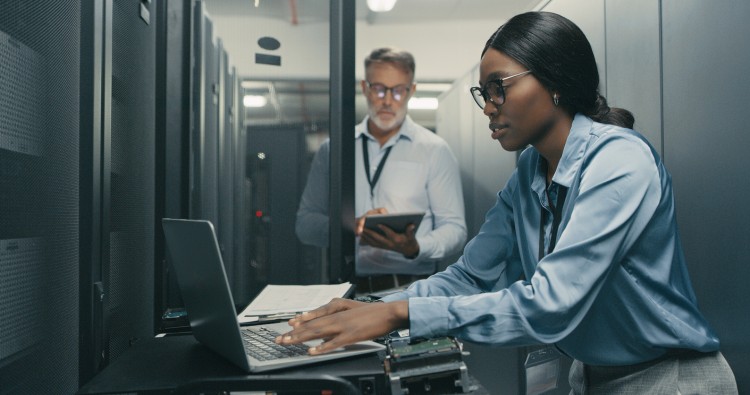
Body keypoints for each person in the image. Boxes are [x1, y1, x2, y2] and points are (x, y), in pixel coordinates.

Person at [279, 12, 738, 394]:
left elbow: (550, 305)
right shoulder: (529, 171)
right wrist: (371, 306)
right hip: (591, 376)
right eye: (484, 92)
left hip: (669, 379)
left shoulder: (621, 159)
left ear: (554, 82)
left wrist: (400, 313)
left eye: (499, 87)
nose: (488, 107)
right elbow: (470, 275)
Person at [295, 47, 467, 293]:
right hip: (346, 290)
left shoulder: (434, 150)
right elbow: (305, 225)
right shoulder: (333, 150)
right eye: (379, 89)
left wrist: (415, 247)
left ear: (412, 91)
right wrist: (351, 227)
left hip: (411, 291)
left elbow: (455, 229)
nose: (388, 100)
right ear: (365, 88)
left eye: (398, 91)